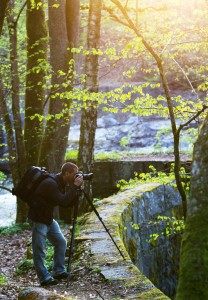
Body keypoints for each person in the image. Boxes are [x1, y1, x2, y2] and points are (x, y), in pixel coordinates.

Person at [28, 162, 83, 286]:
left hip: (47, 218)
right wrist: (75, 187)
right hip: (38, 219)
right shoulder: (50, 183)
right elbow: (63, 202)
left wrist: (76, 190)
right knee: (39, 249)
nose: (76, 177)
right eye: (75, 174)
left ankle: (58, 271)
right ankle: (44, 278)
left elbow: (67, 204)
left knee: (60, 242)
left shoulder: (60, 183)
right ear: (66, 173)